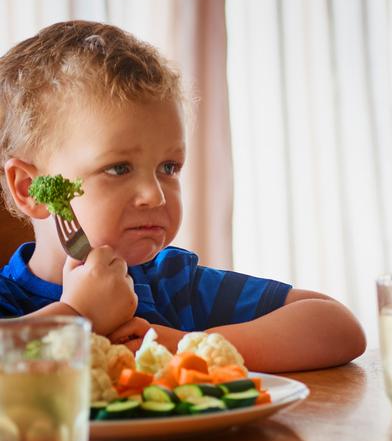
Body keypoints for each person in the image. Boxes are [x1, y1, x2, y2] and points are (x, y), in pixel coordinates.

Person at [0, 21, 365, 372]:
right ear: (30, 189)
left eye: (169, 168)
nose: (154, 195)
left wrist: (188, 346)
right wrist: (78, 316)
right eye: (118, 168)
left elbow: (337, 326)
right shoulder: (9, 299)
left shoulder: (173, 284)